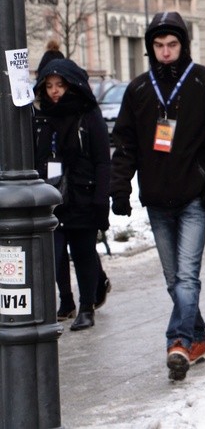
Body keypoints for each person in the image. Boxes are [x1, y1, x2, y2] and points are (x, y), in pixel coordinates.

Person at [110, 11, 205, 381]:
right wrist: (119, 188)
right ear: (151, 48)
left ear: (183, 45)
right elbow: (126, 144)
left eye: (172, 44)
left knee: (187, 277)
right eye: (159, 45)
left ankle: (178, 341)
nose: (166, 51)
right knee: (172, 279)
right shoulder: (138, 90)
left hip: (195, 197)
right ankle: (197, 339)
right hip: (156, 197)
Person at [33, 58, 111, 331]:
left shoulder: (88, 115)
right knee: (54, 255)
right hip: (52, 198)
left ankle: (87, 306)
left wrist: (103, 199)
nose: (54, 91)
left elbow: (103, 160)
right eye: (49, 85)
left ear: (72, 86)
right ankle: (66, 302)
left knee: (83, 253)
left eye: (60, 85)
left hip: (83, 196)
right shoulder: (41, 118)